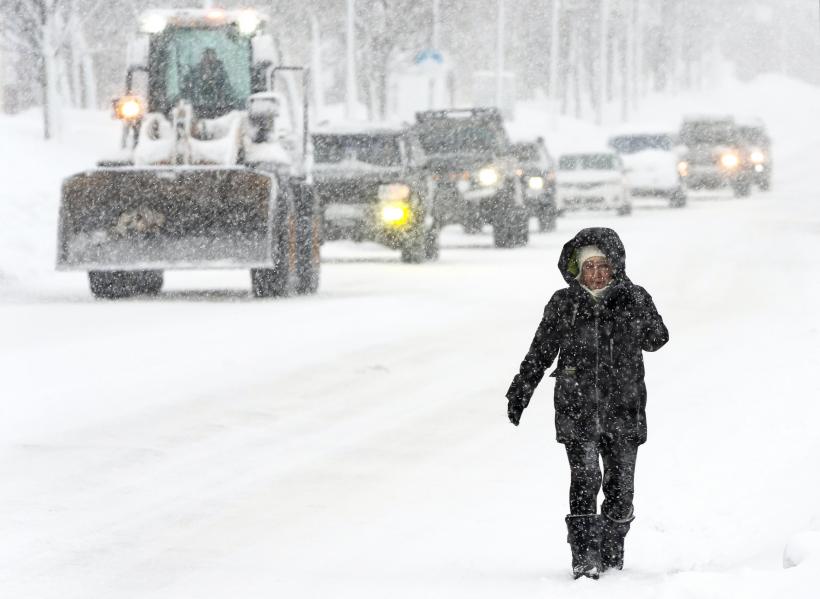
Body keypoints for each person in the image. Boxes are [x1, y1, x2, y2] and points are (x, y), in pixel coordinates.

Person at [505, 227, 668, 580]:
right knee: (585, 479)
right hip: (576, 408)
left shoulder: (633, 297)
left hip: (624, 409)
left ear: (616, 267)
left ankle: (611, 546)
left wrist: (635, 308)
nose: (597, 272)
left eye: (604, 265)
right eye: (589, 265)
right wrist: (521, 390)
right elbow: (541, 352)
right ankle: (585, 556)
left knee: (621, 490)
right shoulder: (564, 304)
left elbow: (657, 339)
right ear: (576, 269)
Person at [184, 48, 232, 118]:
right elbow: (189, 91)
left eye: (211, 59)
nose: (208, 62)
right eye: (205, 59)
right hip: (197, 111)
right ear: (202, 60)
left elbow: (227, 91)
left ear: (215, 59)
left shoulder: (222, 74)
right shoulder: (194, 73)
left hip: (220, 112)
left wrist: (214, 81)